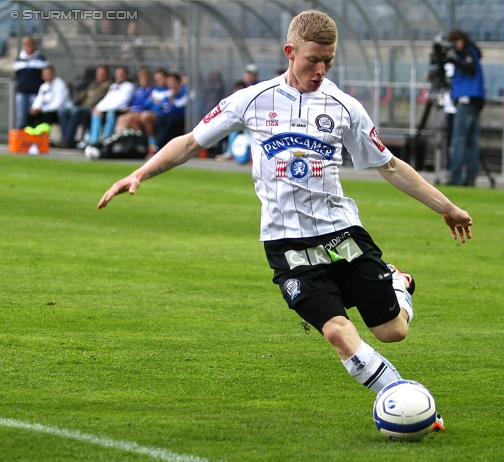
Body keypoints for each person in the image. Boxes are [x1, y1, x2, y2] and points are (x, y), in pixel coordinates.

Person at [98, 11, 472, 427]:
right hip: (286, 244)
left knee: (392, 332)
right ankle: (402, 399)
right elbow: (189, 143)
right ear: (290, 52)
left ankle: (398, 283)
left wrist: (447, 208)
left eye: (328, 60)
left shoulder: (345, 108)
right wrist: (139, 172)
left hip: (342, 233)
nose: (321, 69)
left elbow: (390, 166)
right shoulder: (252, 100)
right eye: (313, 59)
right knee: (335, 331)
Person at [446, 29, 485, 186]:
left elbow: (470, 68)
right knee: (471, 141)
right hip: (475, 100)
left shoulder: (467, 53)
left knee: (459, 140)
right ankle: (470, 177)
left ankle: (455, 176)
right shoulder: (471, 53)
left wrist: (452, 60)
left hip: (467, 99)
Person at [58, 66, 112, 148]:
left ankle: (68, 140)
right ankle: (66, 138)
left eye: (102, 74)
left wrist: (90, 94)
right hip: (84, 107)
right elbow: (82, 95)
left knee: (76, 111)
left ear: (107, 75)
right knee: (64, 112)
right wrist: (86, 94)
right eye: (98, 73)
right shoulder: (94, 84)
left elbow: (96, 98)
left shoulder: (108, 85)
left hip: (94, 108)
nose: (99, 75)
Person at [86, 66, 135, 148]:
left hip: (119, 110)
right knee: (96, 113)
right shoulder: (113, 86)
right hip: (107, 109)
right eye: (117, 74)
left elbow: (121, 102)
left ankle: (106, 141)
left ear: (126, 75)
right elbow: (106, 99)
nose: (119, 76)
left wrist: (102, 109)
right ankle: (94, 141)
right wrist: (98, 108)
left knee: (111, 113)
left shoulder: (129, 86)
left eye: (121, 74)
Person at [13, 36, 49, 129]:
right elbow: (17, 75)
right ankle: (21, 137)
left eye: (31, 45)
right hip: (22, 92)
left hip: (35, 93)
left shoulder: (40, 58)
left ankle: (34, 136)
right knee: (21, 116)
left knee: (34, 115)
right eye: (27, 45)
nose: (30, 47)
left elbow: (45, 74)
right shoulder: (19, 59)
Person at [26, 65, 72, 129]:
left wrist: (42, 109)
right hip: (47, 109)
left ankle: (44, 135)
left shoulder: (60, 85)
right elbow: (39, 99)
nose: (47, 75)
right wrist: (35, 108)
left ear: (53, 74)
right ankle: (30, 135)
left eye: (48, 73)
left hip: (61, 111)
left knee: (46, 115)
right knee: (31, 115)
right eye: (45, 74)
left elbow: (57, 105)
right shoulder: (43, 86)